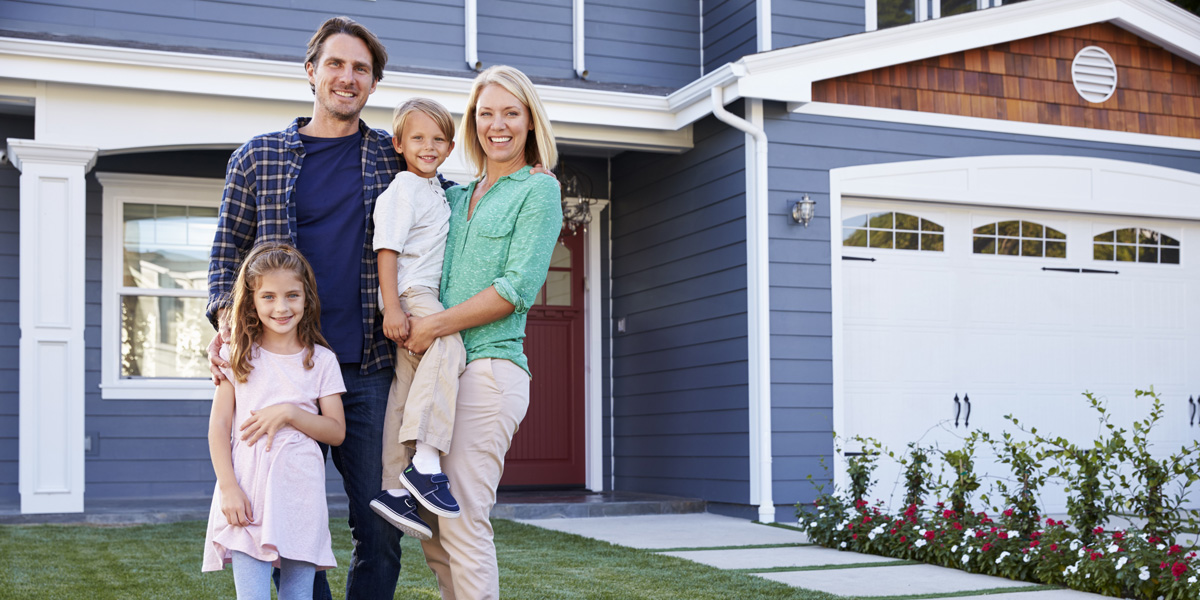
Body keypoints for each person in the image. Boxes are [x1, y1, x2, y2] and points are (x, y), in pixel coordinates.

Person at [205, 16, 418, 599]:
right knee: (280, 519)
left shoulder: (392, 157)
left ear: (373, 83)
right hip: (281, 368)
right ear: (311, 71)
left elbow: (446, 210)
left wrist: (517, 174)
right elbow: (225, 259)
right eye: (336, 64)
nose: (347, 77)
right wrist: (227, 324)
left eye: (361, 69)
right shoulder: (258, 158)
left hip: (368, 368)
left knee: (380, 524)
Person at [401, 65, 563, 600]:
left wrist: (432, 325)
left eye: (510, 113)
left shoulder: (538, 190)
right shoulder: (454, 196)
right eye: (486, 114)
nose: (498, 125)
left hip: (489, 369)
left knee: (464, 519)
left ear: (530, 121)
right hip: (441, 374)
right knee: (433, 527)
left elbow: (515, 288)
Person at [202, 243, 345, 600]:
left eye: (292, 295)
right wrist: (229, 488)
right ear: (251, 301)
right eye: (268, 296)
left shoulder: (322, 361)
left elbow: (336, 431)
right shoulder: (237, 356)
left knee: (298, 595)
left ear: (307, 298)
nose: (281, 308)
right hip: (247, 492)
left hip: (300, 496)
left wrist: (289, 413)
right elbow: (218, 428)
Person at [367, 98, 467, 539]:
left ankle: (393, 488)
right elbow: (386, 250)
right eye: (418, 138)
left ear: (449, 147)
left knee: (405, 387)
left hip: (416, 295)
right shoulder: (404, 189)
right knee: (449, 345)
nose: (429, 147)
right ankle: (425, 461)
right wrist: (393, 307)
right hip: (412, 292)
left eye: (438, 139)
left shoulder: (436, 189)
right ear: (399, 144)